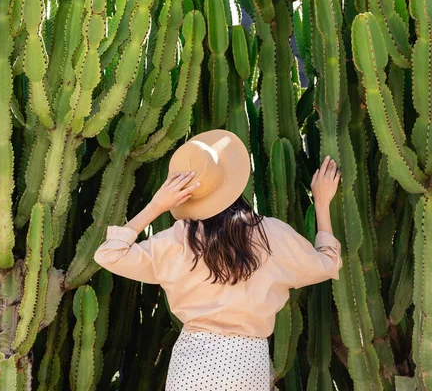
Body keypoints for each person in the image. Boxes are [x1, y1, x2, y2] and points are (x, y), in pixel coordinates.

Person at [94, 129, 342, 391]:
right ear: (231, 181)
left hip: (190, 367)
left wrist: (156, 206)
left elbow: (110, 253)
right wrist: (322, 203)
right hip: (246, 365)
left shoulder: (179, 240)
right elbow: (326, 263)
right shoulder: (272, 234)